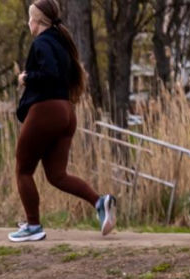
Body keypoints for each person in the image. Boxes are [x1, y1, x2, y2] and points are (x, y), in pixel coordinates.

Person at [10, 0, 115, 243]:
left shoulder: (42, 43)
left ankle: (33, 226)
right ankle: (100, 202)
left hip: (46, 110)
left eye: (30, 18)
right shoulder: (61, 43)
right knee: (56, 175)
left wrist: (26, 78)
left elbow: (49, 74)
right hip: (66, 112)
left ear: (37, 21)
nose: (28, 22)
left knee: (23, 169)